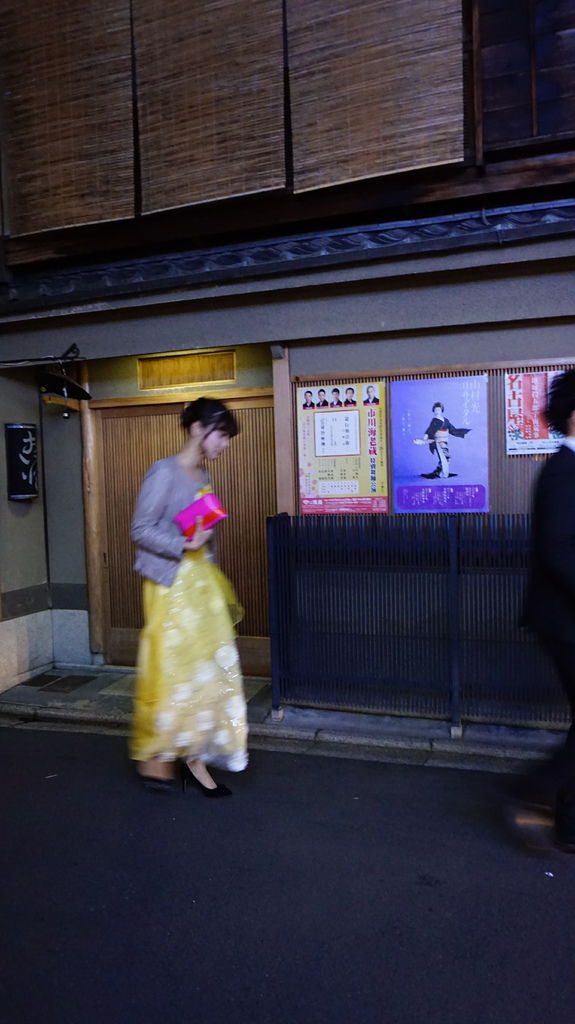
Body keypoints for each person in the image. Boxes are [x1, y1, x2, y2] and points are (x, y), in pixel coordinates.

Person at [130, 397, 247, 796]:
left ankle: (190, 756)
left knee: (207, 672)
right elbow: (140, 529)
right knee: (174, 671)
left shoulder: (202, 475)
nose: (225, 444)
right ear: (197, 429)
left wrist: (205, 553)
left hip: (200, 585)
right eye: (222, 435)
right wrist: (185, 544)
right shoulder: (164, 471)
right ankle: (167, 757)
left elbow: (202, 534)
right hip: (170, 586)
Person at [523, 369, 575, 851]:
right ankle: (531, 791)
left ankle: (566, 821)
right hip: (565, 622)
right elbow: (559, 552)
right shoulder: (563, 472)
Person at [413, 401, 470, 479]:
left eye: (439, 410)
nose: (437, 411)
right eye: (435, 410)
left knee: (447, 458)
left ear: (442, 410)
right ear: (433, 410)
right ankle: (443, 474)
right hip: (438, 442)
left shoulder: (446, 420)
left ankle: (439, 472)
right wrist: (425, 437)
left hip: (444, 441)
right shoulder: (434, 420)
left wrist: (461, 432)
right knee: (444, 458)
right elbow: (430, 430)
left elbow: (451, 429)